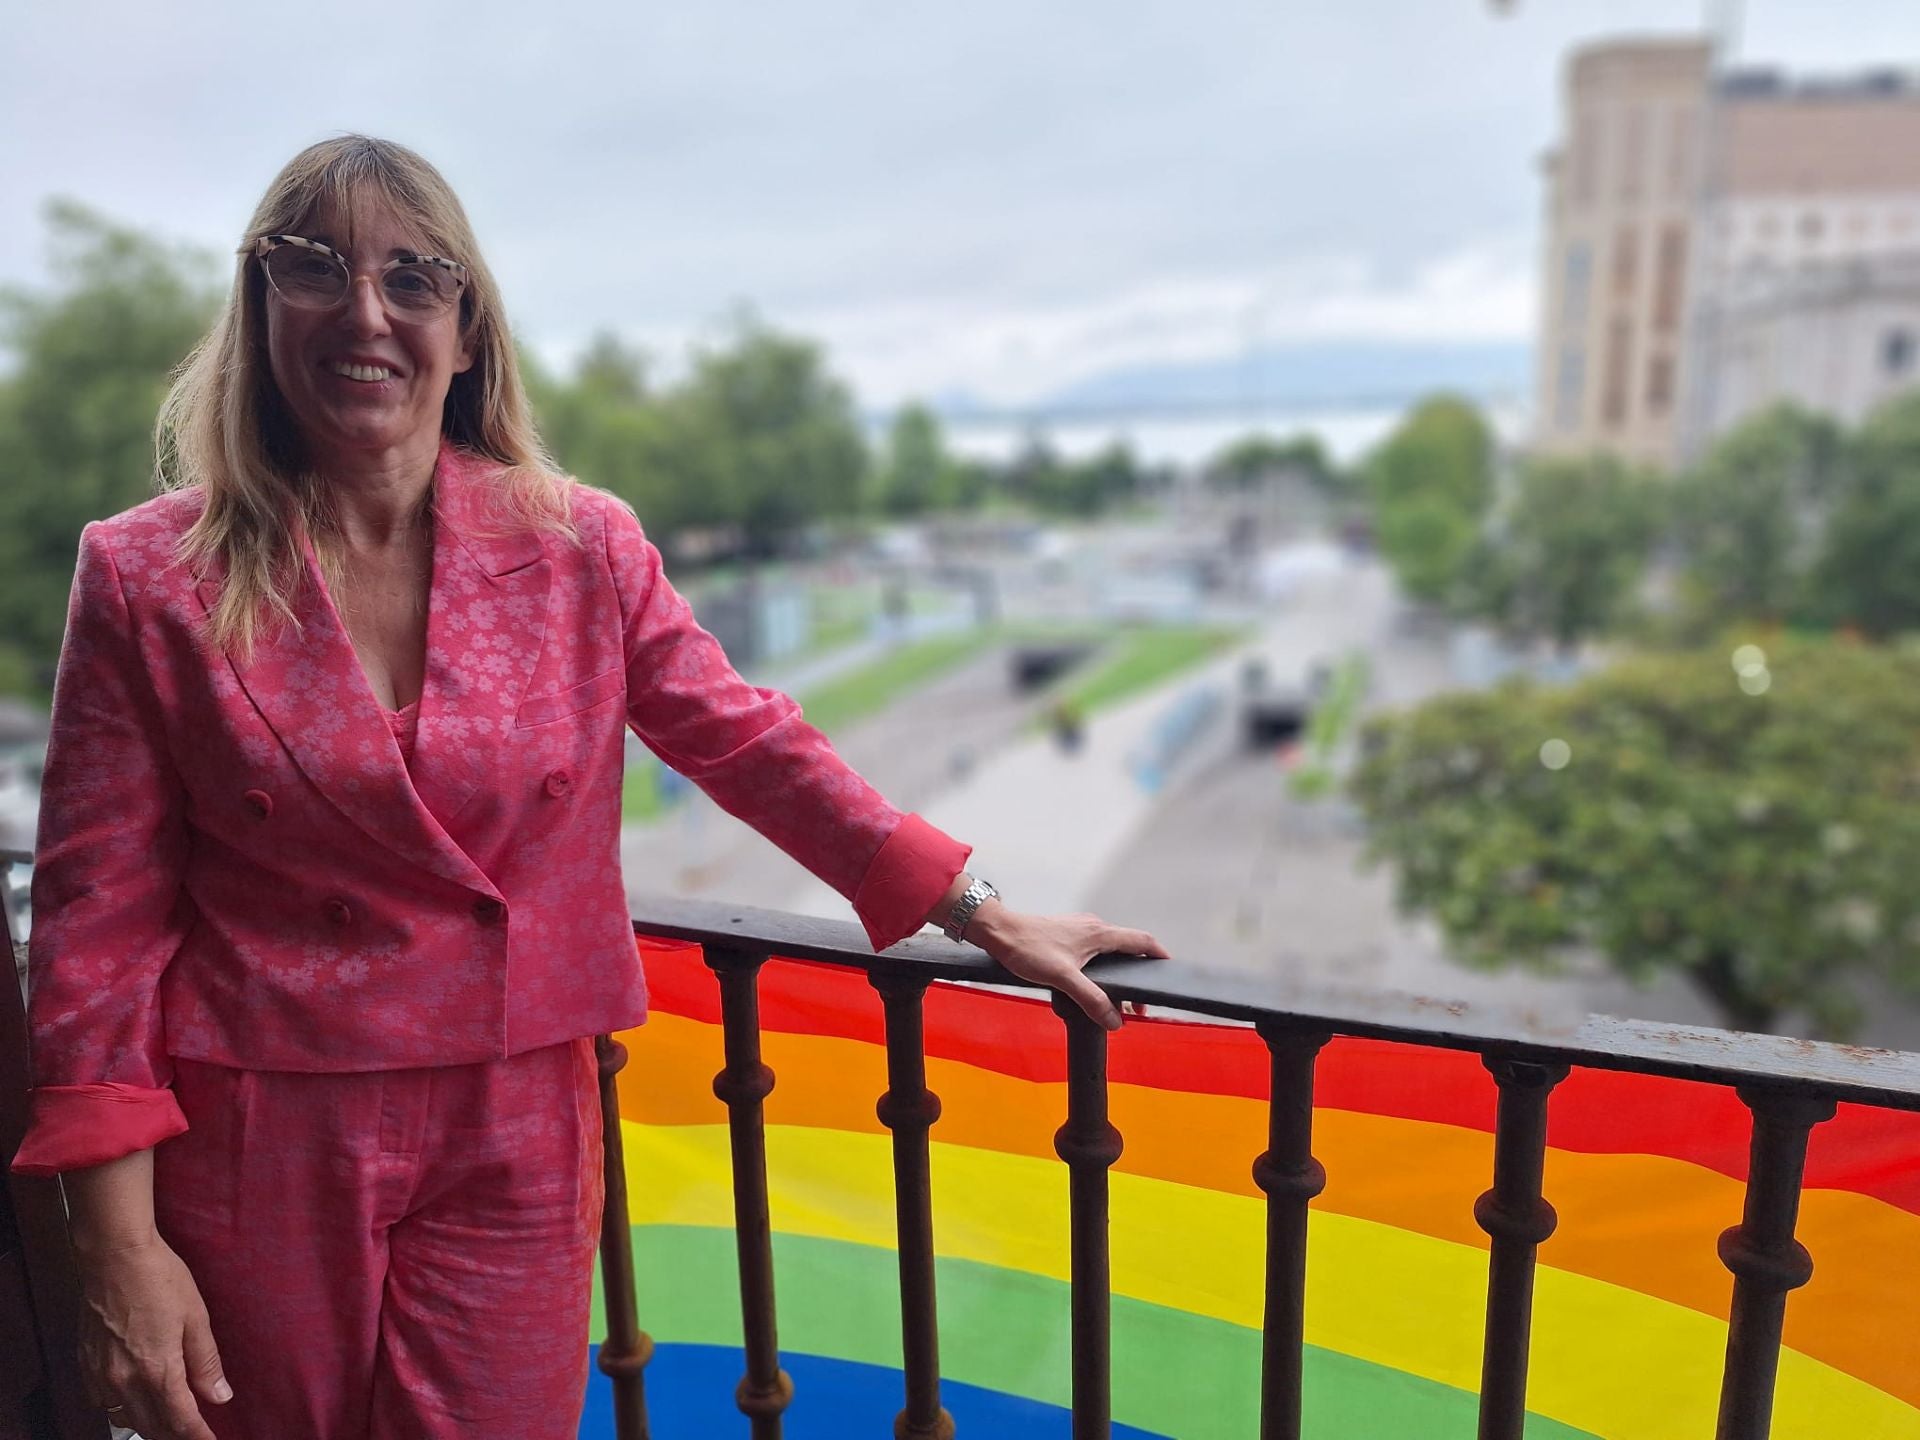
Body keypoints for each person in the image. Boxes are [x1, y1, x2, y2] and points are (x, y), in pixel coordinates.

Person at [10, 136, 1167, 1440]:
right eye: (317, 269)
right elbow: (95, 926)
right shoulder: (146, 576)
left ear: (466, 329)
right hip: (260, 1129)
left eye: (413, 275)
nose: (367, 312)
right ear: (261, 305)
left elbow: (748, 743)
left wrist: (980, 904)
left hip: (514, 1124)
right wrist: (116, 1247)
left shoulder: (576, 545)